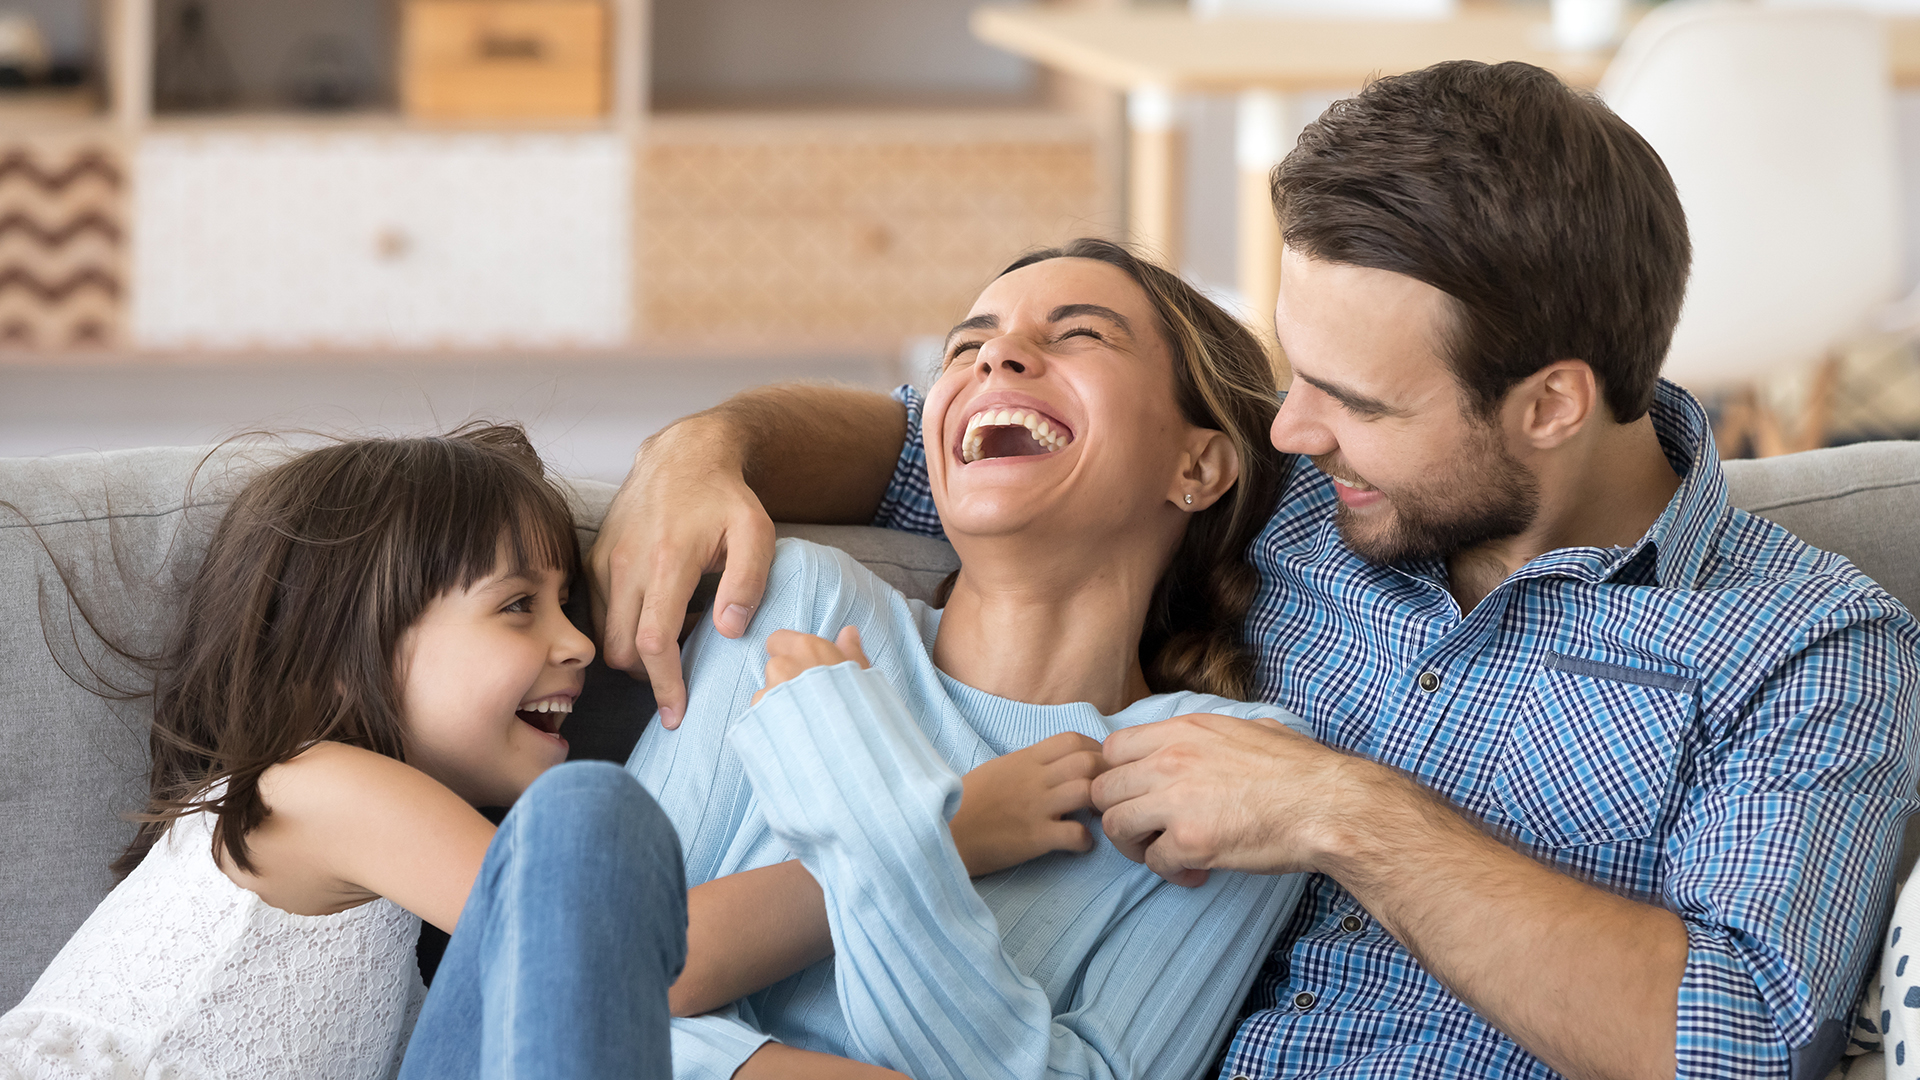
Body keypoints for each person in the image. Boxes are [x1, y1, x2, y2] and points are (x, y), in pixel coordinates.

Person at [590, 60, 1920, 1079]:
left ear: (1553, 404)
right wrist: (713, 444)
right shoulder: (1276, 498)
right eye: (1295, 374)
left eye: (1355, 399)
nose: (1292, 430)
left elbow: (1739, 1041)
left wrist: (1347, 813)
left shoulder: (1803, 648)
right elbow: (937, 445)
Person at [629, 238, 1310, 1078]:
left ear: (1196, 465)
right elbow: (579, 975)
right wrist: (945, 835)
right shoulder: (798, 604)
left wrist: (867, 797)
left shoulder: (1229, 774)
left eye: (1081, 334)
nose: (996, 356)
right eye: (967, 346)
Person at [1, 426, 687, 1080]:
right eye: (517, 605)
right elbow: (613, 958)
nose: (581, 644)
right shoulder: (319, 789)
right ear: (344, 650)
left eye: (566, 603)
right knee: (585, 812)